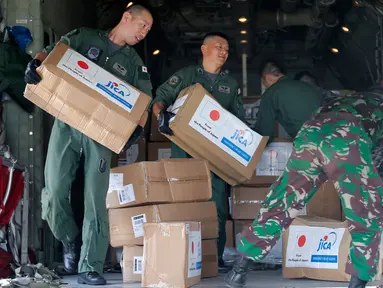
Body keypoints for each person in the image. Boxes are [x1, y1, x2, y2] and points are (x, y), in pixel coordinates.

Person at [24, 4, 153, 285]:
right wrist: (35, 64)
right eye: (142, 25)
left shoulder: (134, 63)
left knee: (96, 198)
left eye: (148, 30)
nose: (144, 32)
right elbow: (54, 51)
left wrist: (138, 130)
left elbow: (144, 101)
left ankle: (90, 265)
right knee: (55, 190)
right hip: (66, 123)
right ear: (126, 17)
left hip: (102, 133)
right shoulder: (85, 37)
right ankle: (69, 239)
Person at [225, 87, 383, 288]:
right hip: (346, 137)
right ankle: (358, 283)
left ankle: (238, 271)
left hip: (310, 133)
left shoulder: (345, 100)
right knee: (366, 213)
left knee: (281, 202)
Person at [151, 32, 244, 271]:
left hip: (216, 155)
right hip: (185, 151)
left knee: (218, 207)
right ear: (204, 49)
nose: (224, 52)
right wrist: (161, 115)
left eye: (227, 48)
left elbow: (239, 120)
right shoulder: (187, 76)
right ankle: (183, 254)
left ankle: (215, 256)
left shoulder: (230, 84)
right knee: (185, 202)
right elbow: (160, 98)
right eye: (219, 46)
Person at [255, 60, 324, 140]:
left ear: (267, 78)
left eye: (263, 83)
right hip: (331, 141)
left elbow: (264, 134)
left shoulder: (272, 92)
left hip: (307, 143)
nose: (265, 86)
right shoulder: (309, 87)